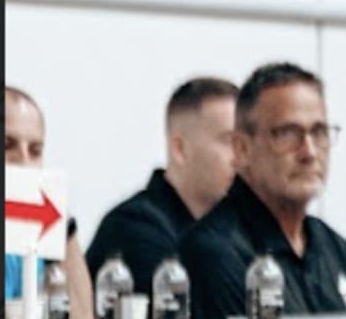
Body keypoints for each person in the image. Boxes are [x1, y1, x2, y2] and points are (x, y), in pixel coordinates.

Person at [182, 62, 346, 319]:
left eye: (319, 132)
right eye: (288, 134)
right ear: (242, 149)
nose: (309, 152)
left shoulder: (335, 248)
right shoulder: (213, 253)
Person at [86, 77, 237, 288]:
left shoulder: (238, 228)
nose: (243, 157)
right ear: (180, 149)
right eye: (230, 141)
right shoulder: (134, 229)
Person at [3, 85, 95, 319]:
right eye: (7, 145)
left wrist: (63, 228)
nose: (24, 161)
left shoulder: (42, 232)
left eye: (35, 151)